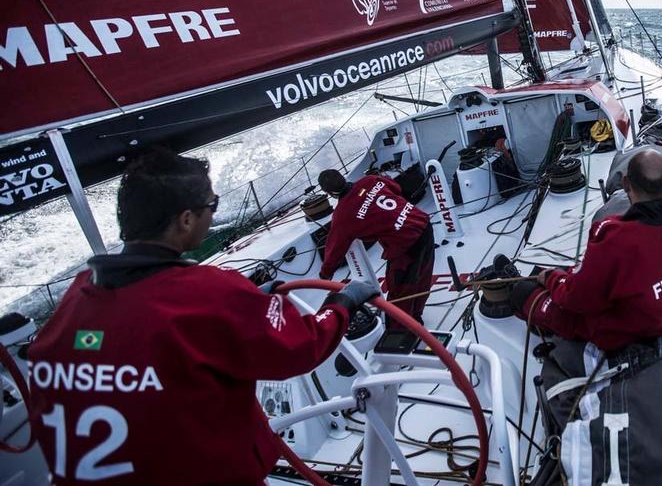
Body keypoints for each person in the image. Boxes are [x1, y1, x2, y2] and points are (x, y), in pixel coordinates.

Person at [27, 150, 379, 485]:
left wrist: (247, 304)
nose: (212, 214)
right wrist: (342, 304)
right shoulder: (209, 293)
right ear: (185, 219)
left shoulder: (77, 295)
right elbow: (301, 346)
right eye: (212, 205)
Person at [512, 149, 662, 352]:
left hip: (624, 331)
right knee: (566, 275)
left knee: (524, 292)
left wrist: (550, 277)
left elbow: (577, 300)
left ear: (625, 184)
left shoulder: (615, 238)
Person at [318, 169, 435, 328]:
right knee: (422, 277)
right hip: (423, 224)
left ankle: (400, 330)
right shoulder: (370, 180)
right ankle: (416, 316)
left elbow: (334, 250)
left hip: (405, 244)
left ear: (329, 193)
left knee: (400, 290)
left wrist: (325, 274)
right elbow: (396, 188)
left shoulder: (342, 216)